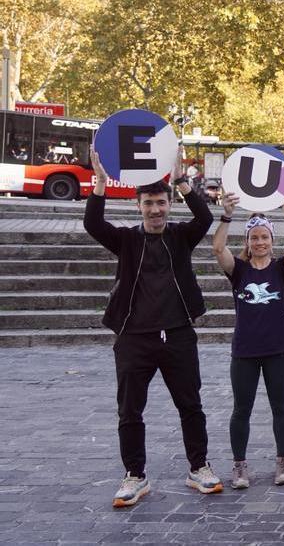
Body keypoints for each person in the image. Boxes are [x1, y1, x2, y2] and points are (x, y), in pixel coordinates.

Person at [84, 145, 222, 508]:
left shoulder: (180, 236)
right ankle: (135, 475)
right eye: (149, 204)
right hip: (134, 337)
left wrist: (182, 181)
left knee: (190, 405)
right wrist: (99, 182)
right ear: (139, 207)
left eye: (161, 203)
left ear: (168, 204)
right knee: (130, 410)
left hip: (177, 334)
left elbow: (205, 220)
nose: (156, 210)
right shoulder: (127, 240)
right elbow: (93, 224)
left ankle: (199, 467)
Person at [212, 194, 284, 489]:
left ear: (271, 240)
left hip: (277, 349)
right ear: (248, 241)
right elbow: (217, 248)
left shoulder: (280, 269)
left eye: (265, 237)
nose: (260, 242)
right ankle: (240, 466)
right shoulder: (239, 271)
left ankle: (282, 462)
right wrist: (227, 216)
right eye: (255, 238)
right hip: (245, 352)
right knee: (242, 409)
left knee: (281, 407)